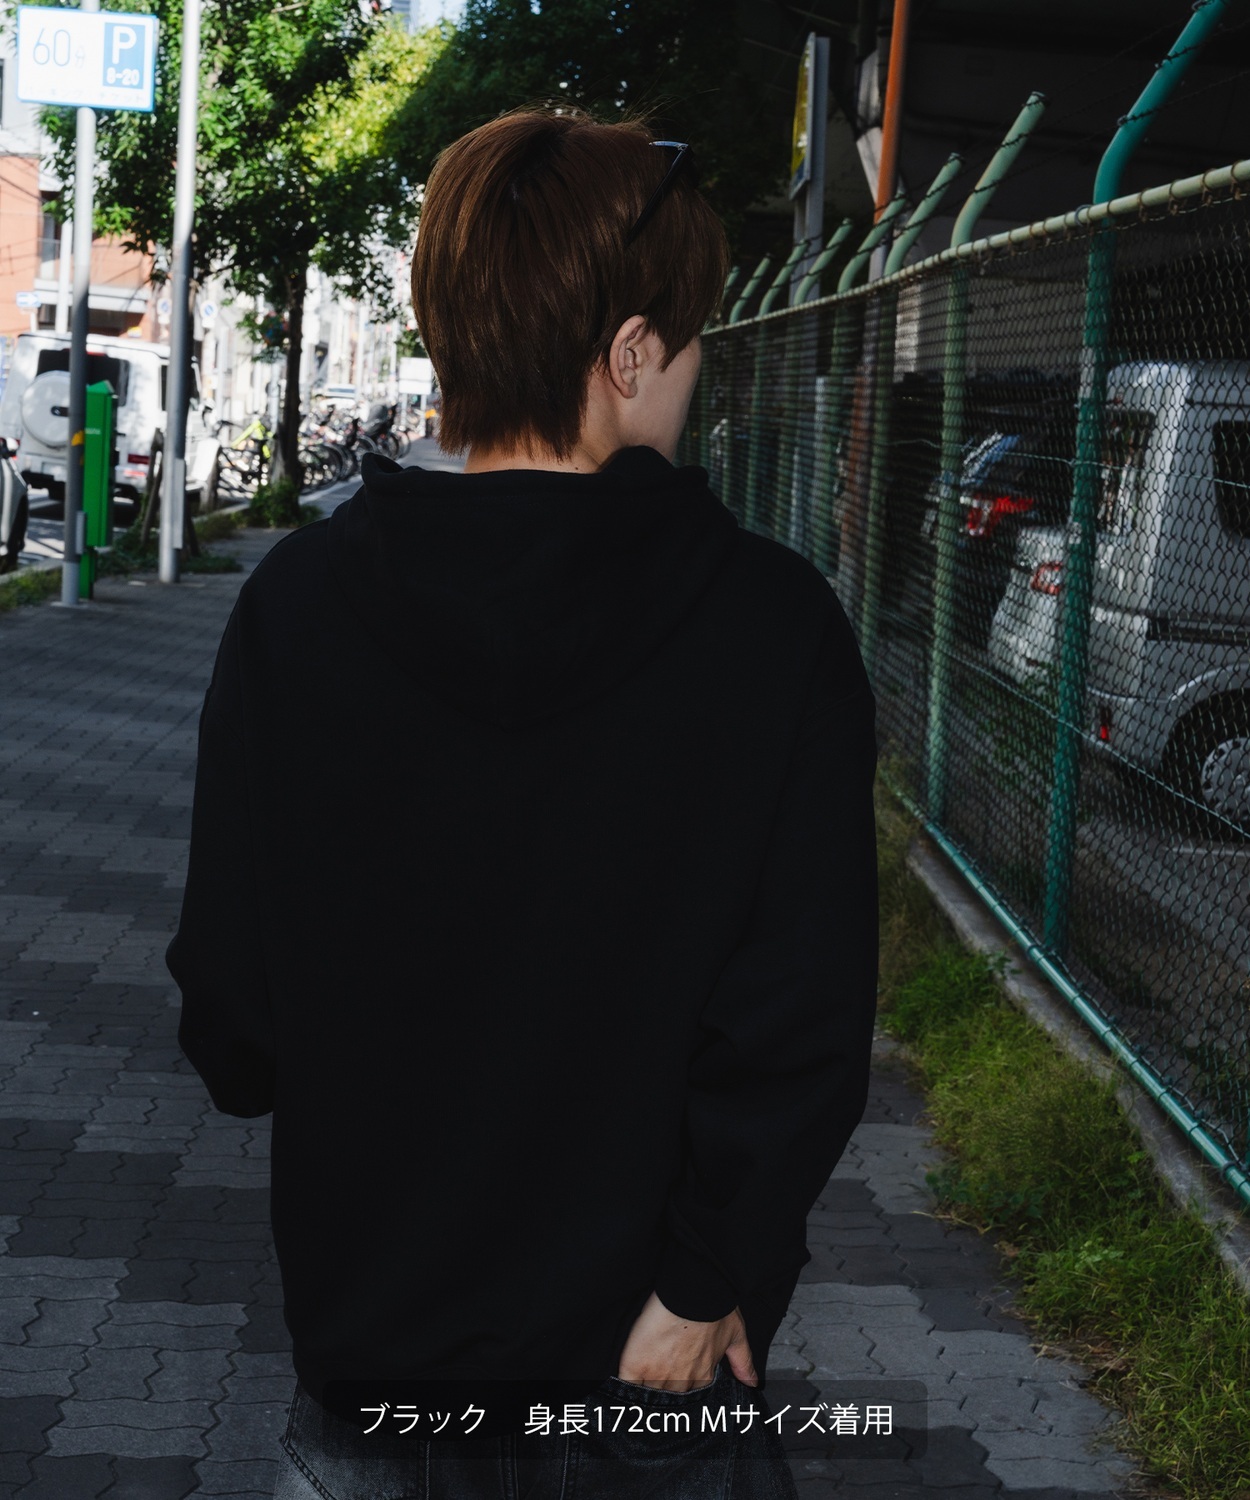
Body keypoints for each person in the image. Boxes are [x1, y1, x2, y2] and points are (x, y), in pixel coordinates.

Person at [166, 106, 878, 1500]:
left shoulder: (297, 609)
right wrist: (705, 1278)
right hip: (649, 1372)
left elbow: (232, 1026)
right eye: (691, 341)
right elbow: (799, 1015)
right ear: (630, 353)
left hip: (380, 1366)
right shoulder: (770, 630)